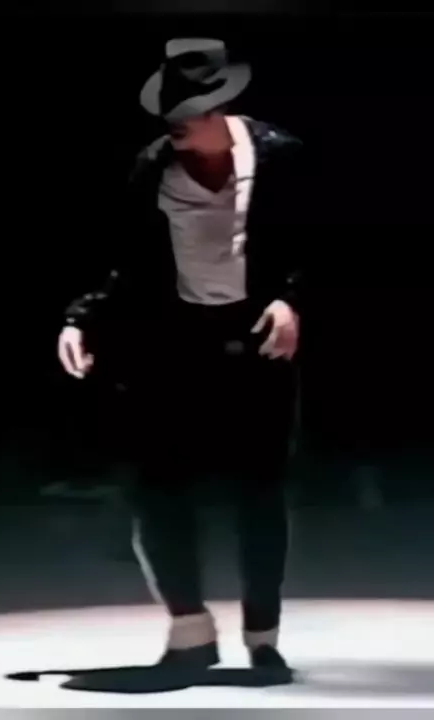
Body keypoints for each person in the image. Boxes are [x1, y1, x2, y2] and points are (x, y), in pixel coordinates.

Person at [58, 38, 304, 685]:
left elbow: (315, 242)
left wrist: (290, 300)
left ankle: (263, 637)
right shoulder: (153, 167)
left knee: (259, 492)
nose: (176, 124)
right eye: (169, 113)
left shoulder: (278, 156)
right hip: (174, 341)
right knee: (156, 485)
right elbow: (128, 260)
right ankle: (189, 630)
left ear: (220, 109)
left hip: (256, 337)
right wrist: (81, 318)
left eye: (188, 112)